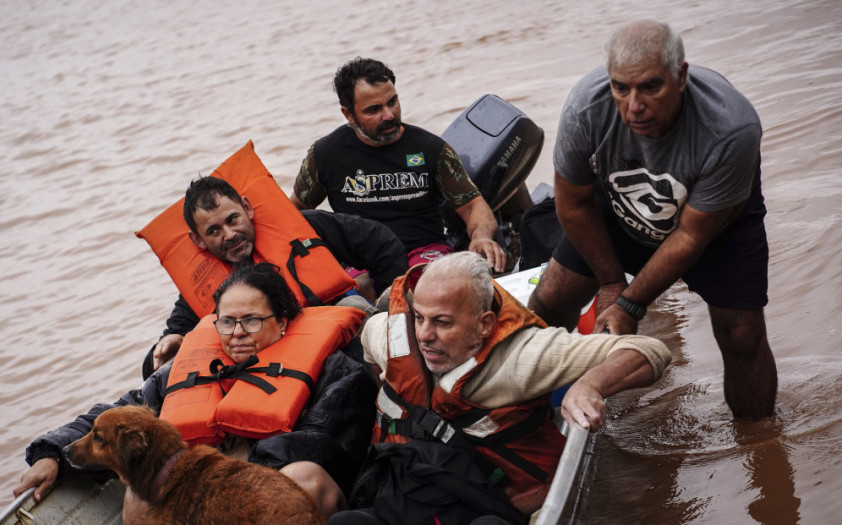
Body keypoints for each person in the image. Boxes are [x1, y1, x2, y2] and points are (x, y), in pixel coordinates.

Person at [528, 20, 777, 419]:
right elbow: (572, 202)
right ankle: (525, 409)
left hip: (714, 225)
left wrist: (629, 303)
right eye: (620, 88)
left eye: (650, 87)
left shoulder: (731, 128)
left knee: (742, 335)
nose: (634, 106)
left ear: (680, 77)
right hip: (620, 201)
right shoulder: (586, 108)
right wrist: (611, 281)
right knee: (551, 297)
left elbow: (691, 236)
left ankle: (760, 441)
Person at [13, 263, 378, 522]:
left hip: (280, 502)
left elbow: (327, 446)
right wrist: (52, 456)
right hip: (208, 498)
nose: (237, 332)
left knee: (305, 478)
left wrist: (229, 471)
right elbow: (117, 416)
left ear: (282, 323)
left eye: (251, 320)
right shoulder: (187, 371)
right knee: (138, 497)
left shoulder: (337, 370)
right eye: (226, 321)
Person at [329, 252, 671, 522]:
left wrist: (589, 386)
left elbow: (649, 351)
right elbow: (373, 356)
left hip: (487, 505)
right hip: (407, 494)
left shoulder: (525, 357)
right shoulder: (388, 336)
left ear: (484, 325)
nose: (424, 335)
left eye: (443, 322)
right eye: (420, 317)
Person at [144, 175, 408, 378]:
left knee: (362, 310)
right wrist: (171, 341)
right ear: (197, 240)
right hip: (280, 368)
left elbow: (383, 245)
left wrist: (394, 301)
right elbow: (166, 344)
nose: (229, 234)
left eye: (233, 219)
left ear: (246, 208)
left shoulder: (307, 227)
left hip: (342, 336)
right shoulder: (203, 286)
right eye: (214, 231)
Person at [290, 57, 507, 274]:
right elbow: (293, 212)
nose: (389, 115)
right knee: (355, 293)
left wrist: (481, 237)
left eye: (392, 101)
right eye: (373, 110)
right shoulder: (325, 154)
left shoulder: (431, 149)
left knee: (425, 280)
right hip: (362, 263)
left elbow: (473, 206)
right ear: (349, 114)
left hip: (425, 255)